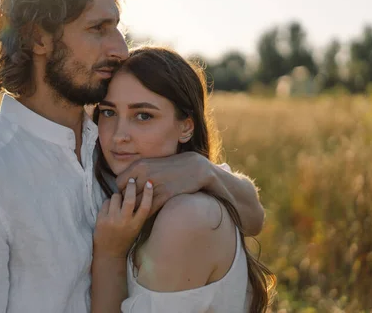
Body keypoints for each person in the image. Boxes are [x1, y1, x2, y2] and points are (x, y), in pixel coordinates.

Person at [0, 0, 265, 312]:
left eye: (117, 27)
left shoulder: (110, 143)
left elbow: (253, 217)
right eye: (97, 29)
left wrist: (202, 170)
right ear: (39, 39)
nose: (119, 48)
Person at [90, 46, 276, 313]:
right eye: (109, 112)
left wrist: (110, 255)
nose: (119, 135)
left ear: (186, 127)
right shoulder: (118, 183)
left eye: (143, 115)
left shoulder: (187, 217)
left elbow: (255, 215)